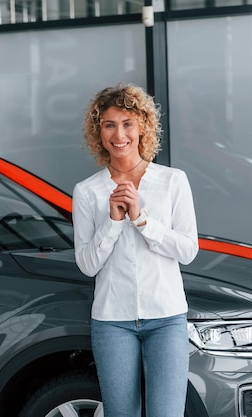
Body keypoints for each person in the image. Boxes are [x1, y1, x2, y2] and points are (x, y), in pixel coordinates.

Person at [72, 84, 199, 417]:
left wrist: (142, 220)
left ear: (142, 126)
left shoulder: (173, 181)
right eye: (109, 124)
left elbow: (187, 250)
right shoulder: (87, 191)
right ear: (98, 132)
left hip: (167, 319)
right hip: (112, 322)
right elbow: (86, 264)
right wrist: (113, 223)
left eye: (127, 123)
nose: (119, 133)